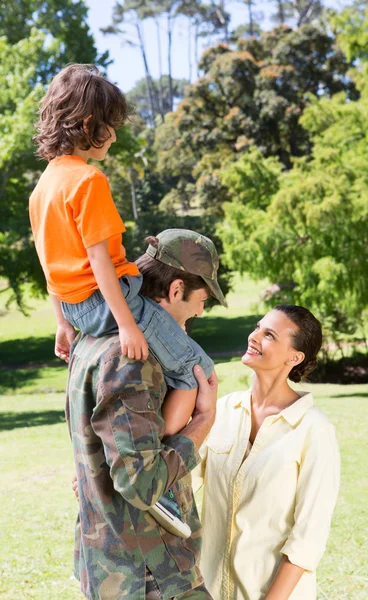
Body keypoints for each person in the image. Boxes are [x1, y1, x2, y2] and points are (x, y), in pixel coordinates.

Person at [28, 63, 227, 529]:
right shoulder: (87, 182)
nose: (113, 138)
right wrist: (127, 324)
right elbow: (100, 262)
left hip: (76, 307)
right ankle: (158, 479)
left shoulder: (43, 188)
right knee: (197, 370)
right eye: (110, 128)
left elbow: (49, 262)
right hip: (109, 300)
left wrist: (61, 321)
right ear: (85, 125)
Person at [67, 230, 226, 600]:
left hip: (111, 564)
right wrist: (203, 421)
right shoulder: (131, 356)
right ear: (175, 290)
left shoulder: (90, 338)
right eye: (201, 300)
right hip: (152, 573)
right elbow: (142, 484)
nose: (201, 311)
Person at [194, 305, 340, 600]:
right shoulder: (222, 410)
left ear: (294, 357)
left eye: (269, 335)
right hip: (207, 590)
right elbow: (179, 479)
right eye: (258, 327)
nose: (254, 336)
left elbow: (308, 537)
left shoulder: (314, 430)